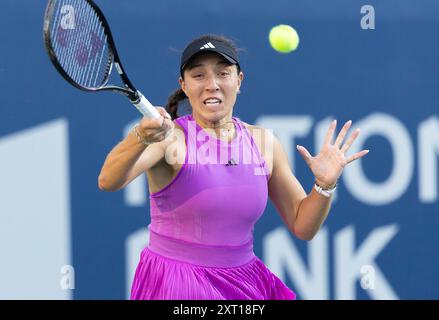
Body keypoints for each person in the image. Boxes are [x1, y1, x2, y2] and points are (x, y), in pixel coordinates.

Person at [98, 34, 369, 300]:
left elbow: (303, 225)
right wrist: (141, 137)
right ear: (184, 85)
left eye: (223, 73)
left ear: (238, 81)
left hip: (245, 282)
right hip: (176, 283)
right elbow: (109, 180)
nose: (212, 84)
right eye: (198, 75)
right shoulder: (171, 140)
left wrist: (324, 185)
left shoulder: (264, 142)